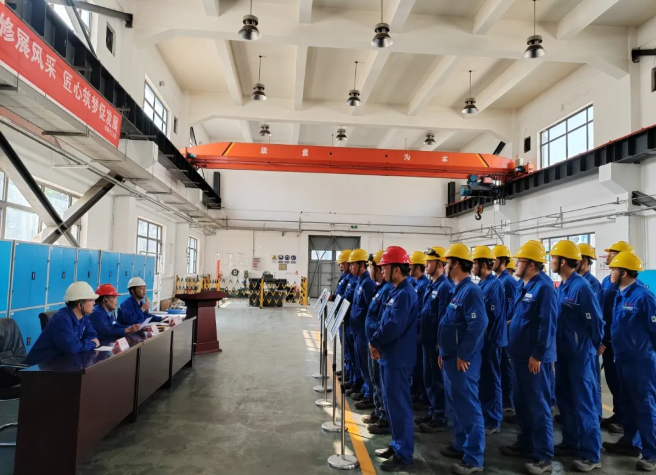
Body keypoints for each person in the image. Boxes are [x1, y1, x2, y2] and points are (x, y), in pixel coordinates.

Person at [500, 241, 557, 475]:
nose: (515, 264)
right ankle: (526, 444)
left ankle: (543, 458)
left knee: (538, 406)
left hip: (533, 359)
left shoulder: (544, 288)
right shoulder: (523, 285)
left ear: (531, 265)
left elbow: (547, 324)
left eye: (519, 261)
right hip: (518, 356)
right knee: (521, 403)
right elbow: (522, 317)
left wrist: (538, 355)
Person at [549, 240, 604, 472]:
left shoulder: (582, 287)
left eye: (553, 257)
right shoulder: (562, 287)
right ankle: (571, 442)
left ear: (562, 261)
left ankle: (592, 455)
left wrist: (595, 345)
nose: (551, 261)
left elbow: (596, 321)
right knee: (565, 401)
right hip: (563, 354)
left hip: (580, 356)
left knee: (584, 404)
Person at [602, 252, 656, 472]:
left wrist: (647, 354)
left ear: (623, 272)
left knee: (644, 407)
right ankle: (630, 443)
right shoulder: (619, 294)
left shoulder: (644, 296)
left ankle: (651, 454)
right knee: (627, 404)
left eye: (613, 269)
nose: (610, 273)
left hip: (640, 362)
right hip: (622, 359)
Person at [436, 243, 487, 475]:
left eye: (447, 263)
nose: (445, 267)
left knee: (468, 406)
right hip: (450, 358)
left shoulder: (471, 291)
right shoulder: (458, 289)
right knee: (456, 405)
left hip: (463, 362)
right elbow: (451, 324)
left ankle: (474, 458)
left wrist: (464, 354)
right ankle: (461, 445)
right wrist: (443, 352)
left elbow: (479, 323)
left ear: (455, 263)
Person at [369, 246, 418, 472]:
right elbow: (384, 321)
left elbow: (393, 326)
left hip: (398, 359)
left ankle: (404, 454)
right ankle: (396, 445)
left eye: (385, 267)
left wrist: (375, 341)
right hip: (389, 357)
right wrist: (376, 342)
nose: (381, 271)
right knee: (390, 405)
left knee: (399, 406)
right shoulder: (396, 291)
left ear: (396, 269)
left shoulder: (406, 294)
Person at [598, 240, 637, 433]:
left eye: (612, 253)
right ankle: (618, 413)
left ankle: (626, 420)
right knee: (613, 380)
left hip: (620, 343)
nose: (608, 256)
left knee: (624, 383)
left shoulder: (636, 290)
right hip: (607, 339)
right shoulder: (607, 281)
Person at [416, 246, 452, 434]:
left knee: (437, 380)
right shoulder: (432, 285)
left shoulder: (444, 287)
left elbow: (443, 318)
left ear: (439, 264)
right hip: (426, 340)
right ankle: (432, 411)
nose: (426, 265)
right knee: (428, 378)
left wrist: (441, 343)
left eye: (429, 262)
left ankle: (440, 416)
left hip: (436, 343)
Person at [473, 246, 507, 436]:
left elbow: (491, 315)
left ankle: (493, 420)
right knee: (485, 380)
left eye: (475, 263)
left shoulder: (495, 285)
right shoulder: (482, 284)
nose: (472, 267)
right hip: (483, 340)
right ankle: (486, 415)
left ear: (483, 264)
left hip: (492, 340)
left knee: (492, 379)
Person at [25, 282, 100, 366]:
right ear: (80, 305)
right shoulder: (61, 319)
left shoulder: (83, 317)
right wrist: (92, 343)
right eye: (91, 300)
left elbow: (92, 335)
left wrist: (83, 343)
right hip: (38, 368)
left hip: (60, 364)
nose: (94, 303)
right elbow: (72, 347)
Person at [364, 250, 394, 435]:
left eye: (371, 267)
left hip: (378, 344)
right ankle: (378, 410)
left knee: (380, 381)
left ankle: (384, 416)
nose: (370, 270)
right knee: (375, 379)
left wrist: (376, 342)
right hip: (372, 341)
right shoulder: (380, 288)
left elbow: (384, 321)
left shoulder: (388, 290)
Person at [348, 248, 376, 407]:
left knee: (366, 365)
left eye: (353, 264)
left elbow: (371, 311)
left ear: (361, 265)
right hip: (356, 331)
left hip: (363, 333)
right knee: (360, 363)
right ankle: (365, 389)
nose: (351, 267)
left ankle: (369, 394)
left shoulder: (368, 284)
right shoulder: (359, 281)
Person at [493, 244, 516, 416]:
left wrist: (507, 323)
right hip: (501, 330)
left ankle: (508, 401)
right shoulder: (499, 280)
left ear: (501, 261)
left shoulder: (507, 281)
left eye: (493, 259)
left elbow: (512, 308)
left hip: (505, 331)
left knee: (505, 365)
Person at [409, 250, 430, 410]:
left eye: (411, 266)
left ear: (417, 267)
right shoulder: (414, 283)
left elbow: (423, 311)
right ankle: (416, 392)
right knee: (415, 365)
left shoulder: (424, 285)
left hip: (419, 331)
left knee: (422, 367)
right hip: (413, 330)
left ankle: (423, 396)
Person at [334, 249, 353, 380]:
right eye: (339, 264)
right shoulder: (345, 277)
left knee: (349, 348)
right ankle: (347, 370)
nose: (340, 266)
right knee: (345, 346)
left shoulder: (353, 280)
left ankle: (351, 375)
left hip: (348, 317)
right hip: (342, 315)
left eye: (342, 263)